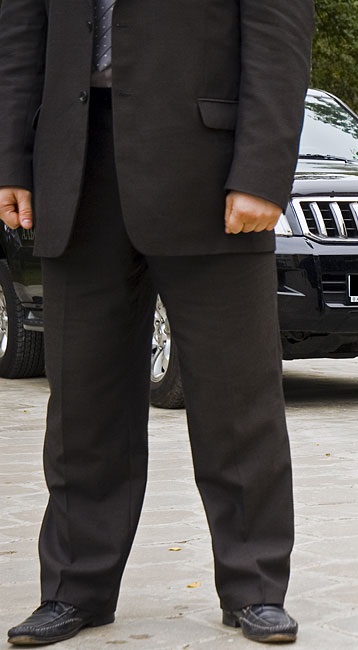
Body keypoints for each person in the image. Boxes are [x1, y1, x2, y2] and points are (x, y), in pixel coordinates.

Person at [0, 0, 314, 645]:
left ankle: (254, 585)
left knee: (236, 397)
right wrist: (11, 158)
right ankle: (75, 588)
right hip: (73, 163)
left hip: (208, 167)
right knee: (82, 401)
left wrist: (262, 170)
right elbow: (20, 30)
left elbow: (278, 32)